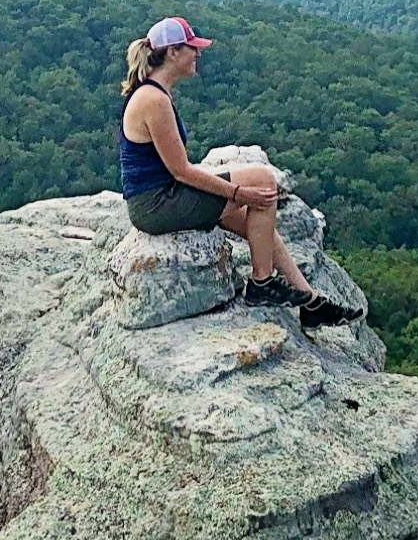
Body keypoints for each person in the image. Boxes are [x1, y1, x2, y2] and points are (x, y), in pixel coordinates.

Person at [119, 16, 351, 326]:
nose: (198, 54)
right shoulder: (153, 99)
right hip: (157, 204)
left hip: (159, 198)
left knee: (258, 222)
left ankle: (310, 300)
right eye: (192, 48)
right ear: (173, 52)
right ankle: (261, 284)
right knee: (262, 181)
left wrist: (239, 197)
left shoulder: (153, 93)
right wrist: (239, 193)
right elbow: (180, 171)